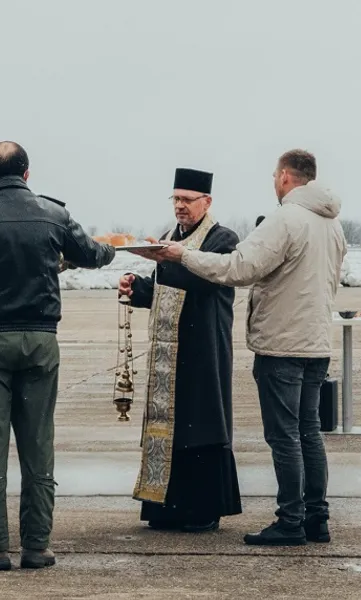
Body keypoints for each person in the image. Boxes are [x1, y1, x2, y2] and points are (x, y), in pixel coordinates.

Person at [145, 150, 347, 546]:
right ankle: (316, 518)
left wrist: (181, 254)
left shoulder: (285, 219)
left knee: (285, 436)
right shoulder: (332, 224)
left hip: (282, 343)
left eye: (275, 175)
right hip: (317, 341)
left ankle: (290, 520)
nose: (274, 182)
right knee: (309, 432)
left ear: (286, 177)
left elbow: (238, 269)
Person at [0, 141, 115, 571]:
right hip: (39, 339)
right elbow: (90, 255)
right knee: (38, 445)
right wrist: (108, 247)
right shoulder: (53, 213)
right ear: (28, 174)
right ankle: (37, 545)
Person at [119, 168, 242, 533]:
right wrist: (138, 289)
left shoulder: (223, 239)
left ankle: (204, 509)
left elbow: (200, 281)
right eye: (175, 199)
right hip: (169, 350)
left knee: (202, 425)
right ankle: (166, 508)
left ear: (207, 202)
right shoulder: (172, 238)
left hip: (205, 347)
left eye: (187, 200)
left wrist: (165, 260)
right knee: (170, 427)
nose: (180, 207)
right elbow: (165, 290)